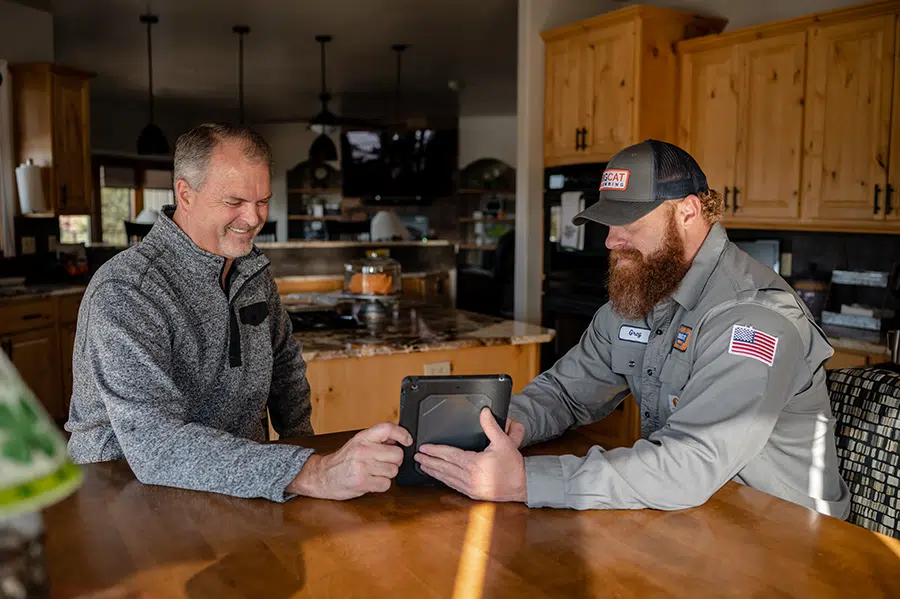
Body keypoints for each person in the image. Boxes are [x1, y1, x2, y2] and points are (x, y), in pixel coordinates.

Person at [414, 139, 851, 518]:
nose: (609, 240)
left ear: (688, 211)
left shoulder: (753, 319)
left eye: (630, 222)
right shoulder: (642, 295)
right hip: (693, 514)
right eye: (608, 222)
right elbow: (567, 391)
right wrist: (516, 425)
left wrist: (525, 480)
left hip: (786, 539)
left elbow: (690, 462)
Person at [66, 123, 411, 502]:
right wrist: (311, 473)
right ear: (185, 193)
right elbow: (155, 444)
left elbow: (285, 368)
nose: (253, 218)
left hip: (242, 488)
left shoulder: (250, 270)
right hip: (125, 497)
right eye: (235, 202)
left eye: (262, 201)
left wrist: (309, 448)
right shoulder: (127, 290)